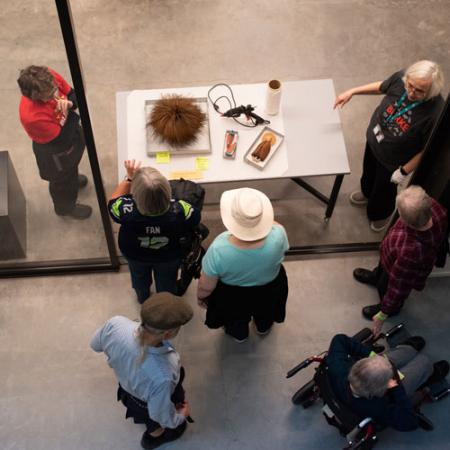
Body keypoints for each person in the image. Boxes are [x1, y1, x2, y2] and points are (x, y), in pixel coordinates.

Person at [334, 60, 444, 232]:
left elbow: (427, 149)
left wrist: (404, 171)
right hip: (375, 143)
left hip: (393, 162)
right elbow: (383, 86)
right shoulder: (402, 78)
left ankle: (380, 214)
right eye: (410, 85)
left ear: (431, 92)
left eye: (419, 91)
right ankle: (366, 192)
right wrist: (353, 91)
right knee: (369, 173)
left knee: (383, 190)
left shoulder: (435, 113)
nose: (411, 92)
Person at [90, 292, 193, 450]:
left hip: (128, 389)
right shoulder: (163, 375)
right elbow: (160, 414)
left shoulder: (116, 323)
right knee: (154, 422)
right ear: (168, 333)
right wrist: (179, 417)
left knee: (146, 415)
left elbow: (95, 344)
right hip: (150, 399)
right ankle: (154, 438)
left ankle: (153, 434)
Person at [197, 187, 289, 342]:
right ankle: (262, 327)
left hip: (233, 295)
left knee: (234, 318)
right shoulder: (278, 234)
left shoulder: (219, 247)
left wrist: (202, 297)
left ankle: (239, 335)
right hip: (270, 287)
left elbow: (206, 284)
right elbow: (279, 240)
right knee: (266, 311)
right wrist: (259, 221)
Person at [353, 186, 448, 337]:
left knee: (387, 287)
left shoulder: (411, 252)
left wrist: (383, 313)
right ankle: (377, 276)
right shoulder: (436, 208)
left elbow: (399, 287)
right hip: (390, 256)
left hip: (396, 269)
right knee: (382, 272)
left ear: (405, 221)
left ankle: (390, 308)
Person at [108, 160, 200, 303]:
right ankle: (164, 301)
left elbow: (113, 201)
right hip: (169, 255)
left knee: (139, 278)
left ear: (135, 195)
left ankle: (143, 298)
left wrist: (130, 179)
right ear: (167, 190)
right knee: (167, 280)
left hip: (135, 254)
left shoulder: (125, 210)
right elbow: (195, 219)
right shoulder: (181, 210)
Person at [327, 333, 449, 432]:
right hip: (392, 392)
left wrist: (371, 355)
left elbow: (339, 339)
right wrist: (396, 387)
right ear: (381, 390)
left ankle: (407, 351)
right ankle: (428, 372)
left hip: (365, 383)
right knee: (424, 361)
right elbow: (409, 422)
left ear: (356, 366)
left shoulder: (338, 369)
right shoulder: (378, 407)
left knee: (384, 363)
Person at [17, 65, 91, 219]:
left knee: (71, 168)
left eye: (54, 89)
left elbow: (72, 94)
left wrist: (71, 105)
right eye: (49, 95)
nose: (55, 95)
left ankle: (72, 178)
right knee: (61, 181)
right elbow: (61, 139)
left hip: (67, 133)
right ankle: (65, 208)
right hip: (54, 150)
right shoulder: (32, 117)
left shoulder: (49, 77)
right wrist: (67, 112)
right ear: (34, 97)